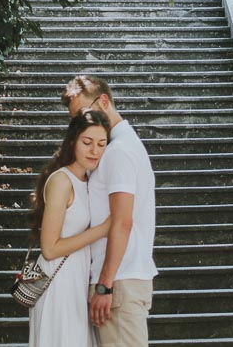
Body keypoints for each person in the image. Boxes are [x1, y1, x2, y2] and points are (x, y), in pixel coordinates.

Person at [62, 74, 157, 347]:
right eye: (74, 119)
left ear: (104, 101)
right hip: (120, 279)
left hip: (118, 282)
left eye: (83, 113)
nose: (79, 124)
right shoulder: (118, 147)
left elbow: (122, 221)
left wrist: (105, 285)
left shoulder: (118, 152)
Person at [28, 109, 115, 347]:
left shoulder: (89, 180)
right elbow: (49, 249)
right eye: (87, 142)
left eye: (101, 144)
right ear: (72, 141)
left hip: (77, 279)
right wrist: (102, 229)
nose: (94, 150)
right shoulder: (61, 181)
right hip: (58, 282)